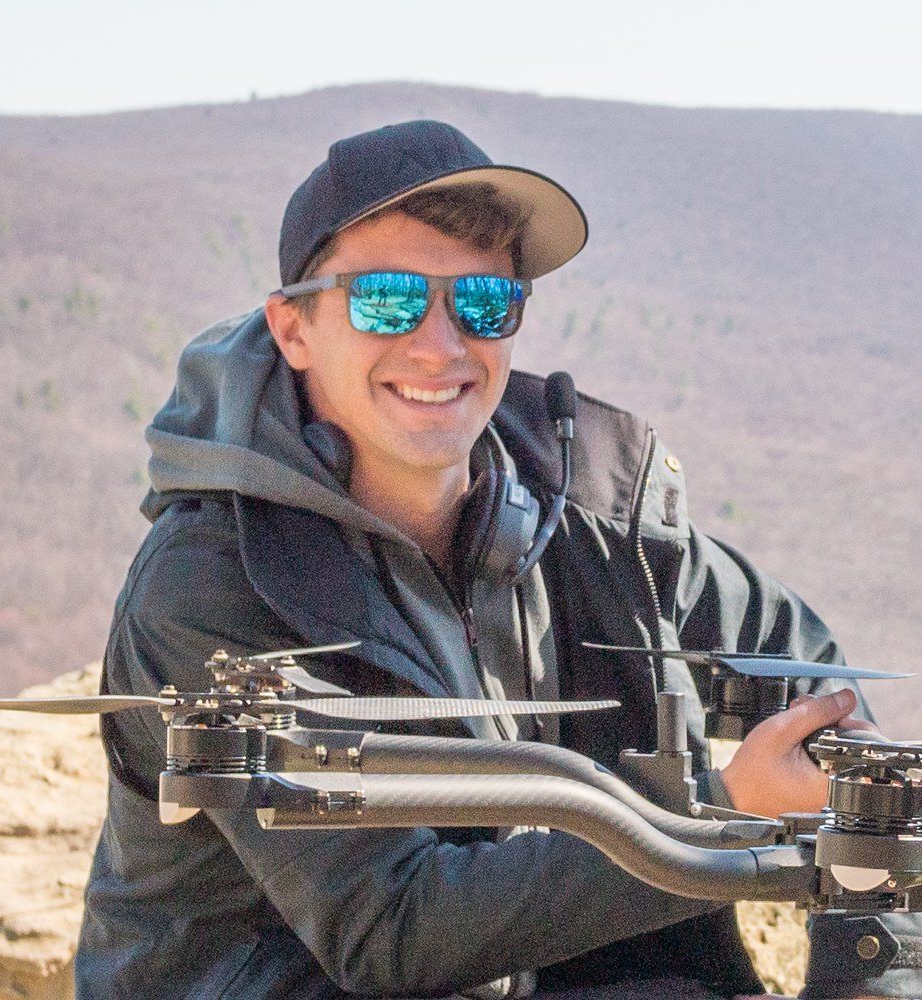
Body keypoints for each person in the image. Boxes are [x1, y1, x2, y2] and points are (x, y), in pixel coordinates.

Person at [75, 120, 921, 999]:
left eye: (483, 302)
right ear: (294, 328)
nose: (440, 345)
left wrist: (874, 965)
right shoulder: (217, 583)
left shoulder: (596, 503)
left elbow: (822, 690)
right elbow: (388, 931)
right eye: (388, 299)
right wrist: (718, 815)